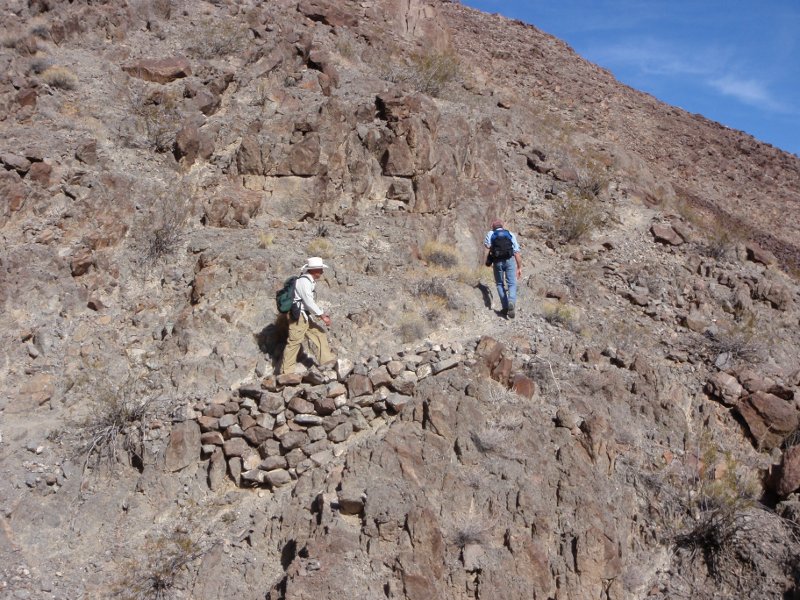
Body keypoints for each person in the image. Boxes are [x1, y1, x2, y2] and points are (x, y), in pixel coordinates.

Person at [280, 257, 336, 374]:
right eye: (320, 270)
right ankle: (286, 372)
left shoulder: (307, 281)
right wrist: (322, 316)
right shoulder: (304, 282)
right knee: (294, 342)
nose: (322, 272)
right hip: (298, 317)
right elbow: (309, 302)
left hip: (304, 316)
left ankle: (327, 360)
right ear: (314, 270)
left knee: (319, 333)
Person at [483, 218, 522, 318]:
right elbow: (516, 252)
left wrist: (488, 260)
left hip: (497, 262)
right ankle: (511, 302)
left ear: (493, 227)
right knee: (512, 283)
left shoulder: (490, 234)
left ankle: (505, 307)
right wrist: (519, 267)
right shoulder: (510, 234)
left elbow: (487, 248)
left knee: (500, 284)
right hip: (509, 260)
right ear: (502, 226)